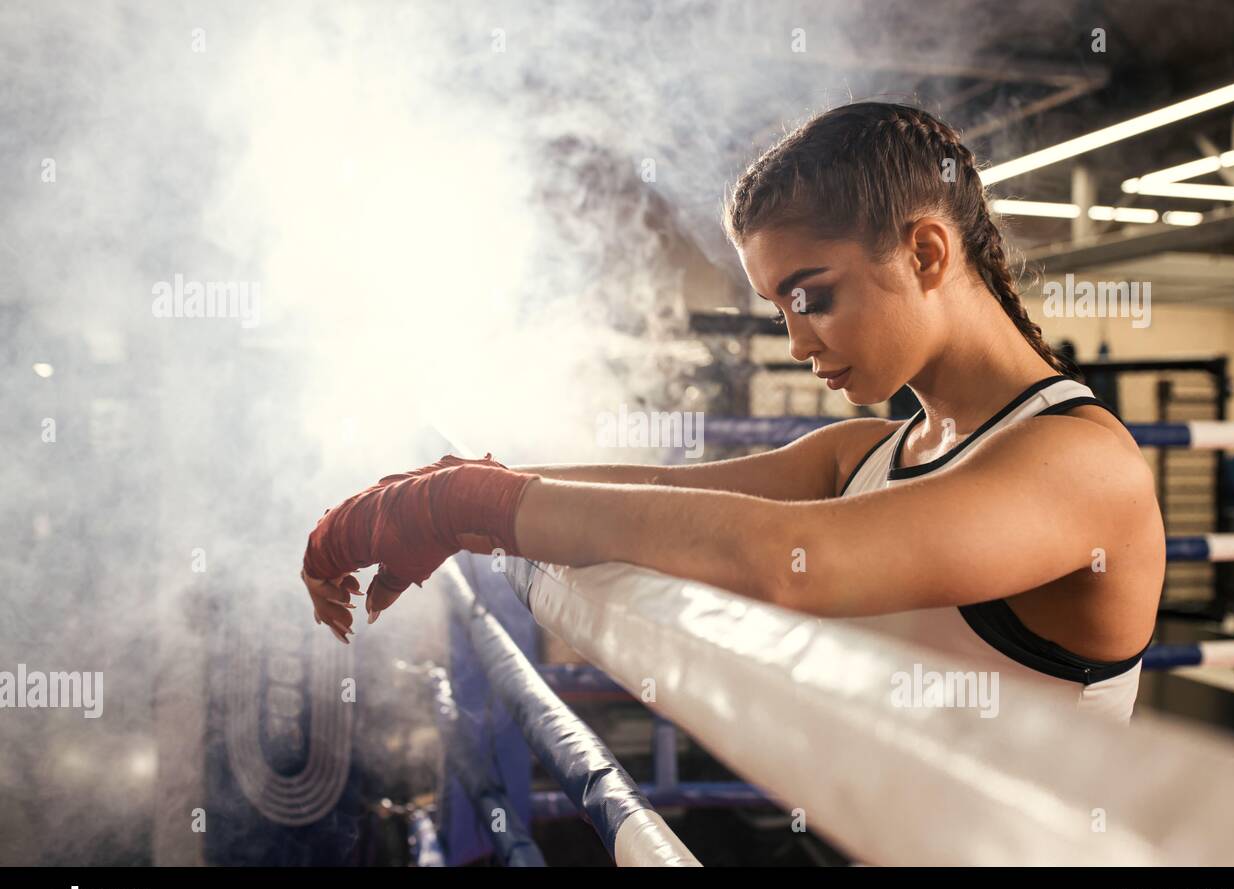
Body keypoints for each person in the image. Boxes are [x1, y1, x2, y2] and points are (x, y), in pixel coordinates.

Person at [302, 102, 1166, 721]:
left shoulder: (1082, 467)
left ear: (926, 252)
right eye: (781, 310)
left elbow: (797, 563)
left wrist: (465, 507)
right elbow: (662, 491)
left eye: (812, 296)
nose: (797, 343)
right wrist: (458, 491)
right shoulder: (862, 453)